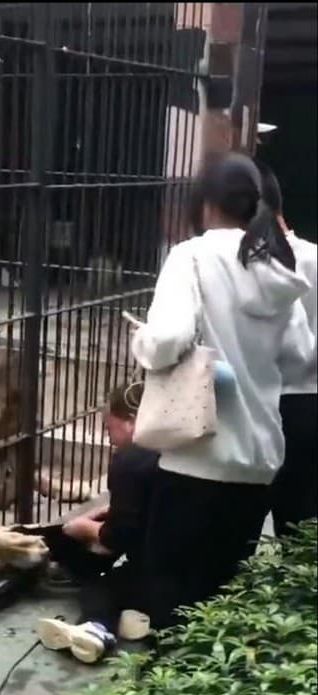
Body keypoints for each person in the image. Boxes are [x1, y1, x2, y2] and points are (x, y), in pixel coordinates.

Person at [130, 151, 313, 632]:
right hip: (259, 463)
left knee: (172, 603)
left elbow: (166, 340)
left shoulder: (191, 256)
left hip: (198, 457)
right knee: (219, 609)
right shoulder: (278, 268)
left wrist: (142, 342)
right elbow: (300, 356)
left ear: (205, 203)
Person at [28, 383, 159, 664]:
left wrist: (80, 528)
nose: (109, 439)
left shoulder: (130, 459)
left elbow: (117, 538)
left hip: (159, 570)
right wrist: (113, 512)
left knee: (100, 589)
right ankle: (134, 620)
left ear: (131, 421)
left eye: (109, 428)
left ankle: (96, 629)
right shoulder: (174, 449)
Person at [257, 160, 318, 538]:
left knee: (247, 516)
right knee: (299, 523)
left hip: (265, 400)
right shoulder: (314, 256)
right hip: (310, 400)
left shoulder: (253, 264)